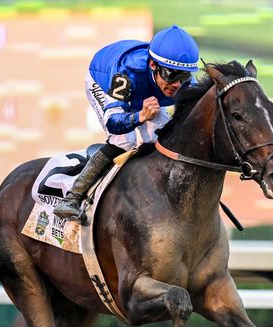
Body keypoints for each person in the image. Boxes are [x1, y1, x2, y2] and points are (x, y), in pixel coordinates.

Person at [53, 25, 200, 221]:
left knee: (162, 139)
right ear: (153, 66)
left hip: (145, 89)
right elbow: (114, 123)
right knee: (124, 141)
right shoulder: (128, 71)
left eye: (183, 77)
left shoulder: (183, 82)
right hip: (103, 79)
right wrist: (140, 116)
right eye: (171, 76)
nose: (177, 85)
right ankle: (73, 196)